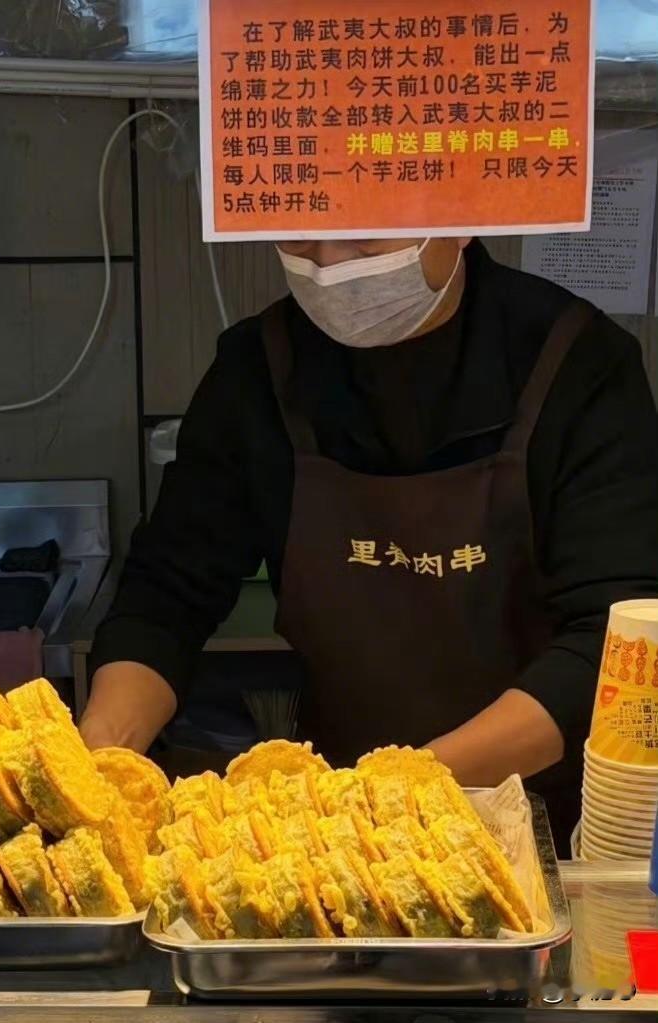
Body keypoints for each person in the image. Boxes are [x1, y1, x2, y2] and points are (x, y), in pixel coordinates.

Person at [80, 235, 658, 852]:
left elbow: (614, 641)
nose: (329, 260)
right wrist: (96, 762)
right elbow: (166, 595)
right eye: (304, 221)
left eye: (364, 227)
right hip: (343, 829)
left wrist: (396, 793)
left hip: (544, 828)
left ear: (461, 212)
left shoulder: (574, 360)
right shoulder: (257, 369)